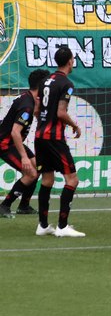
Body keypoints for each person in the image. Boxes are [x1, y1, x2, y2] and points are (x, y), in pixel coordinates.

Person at [34, 46, 84, 237]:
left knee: (47, 180)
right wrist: (75, 125)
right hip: (54, 138)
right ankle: (62, 227)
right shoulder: (67, 83)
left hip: (40, 136)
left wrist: (44, 124)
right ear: (70, 61)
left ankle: (43, 225)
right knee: (72, 179)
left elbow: (37, 110)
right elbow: (61, 112)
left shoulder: (45, 81)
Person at [0, 69, 49, 218]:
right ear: (41, 87)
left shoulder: (29, 99)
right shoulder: (27, 105)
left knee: (38, 168)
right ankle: (4, 206)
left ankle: (24, 206)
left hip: (13, 142)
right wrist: (24, 157)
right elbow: (15, 132)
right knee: (31, 173)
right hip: (5, 144)